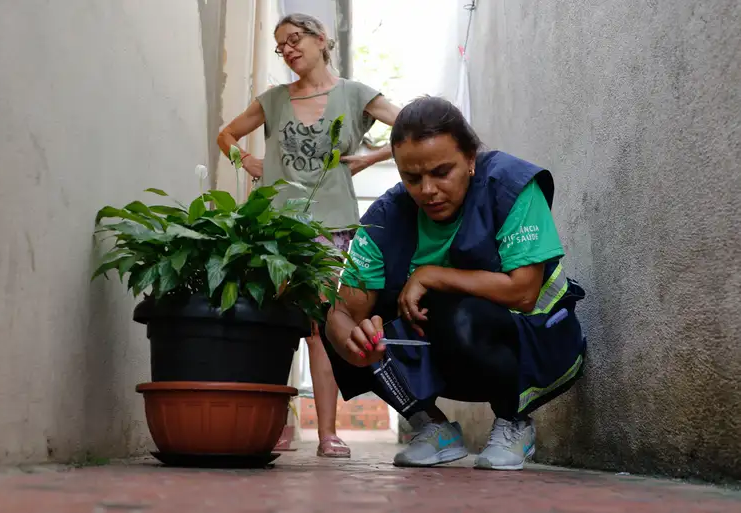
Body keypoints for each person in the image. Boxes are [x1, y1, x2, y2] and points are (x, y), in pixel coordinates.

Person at [323, 96, 587, 470]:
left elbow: (525, 292)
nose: (427, 190)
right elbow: (344, 312)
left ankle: (513, 422)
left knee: (459, 313)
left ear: (471, 159)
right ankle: (432, 427)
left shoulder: (510, 186)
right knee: (332, 316)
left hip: (540, 349)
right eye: (412, 178)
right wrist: (351, 341)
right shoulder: (385, 218)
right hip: (448, 358)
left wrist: (432, 275)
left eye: (441, 172)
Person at [217, 13, 400, 458]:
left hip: (330, 224)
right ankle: (273, 423)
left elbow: (413, 125)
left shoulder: (355, 94)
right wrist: (246, 161)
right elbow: (226, 135)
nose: (288, 50)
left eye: (295, 39)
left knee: (319, 324)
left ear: (321, 39)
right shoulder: (273, 99)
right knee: (272, 319)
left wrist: (372, 157)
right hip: (274, 226)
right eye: (281, 46)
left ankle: (327, 434)